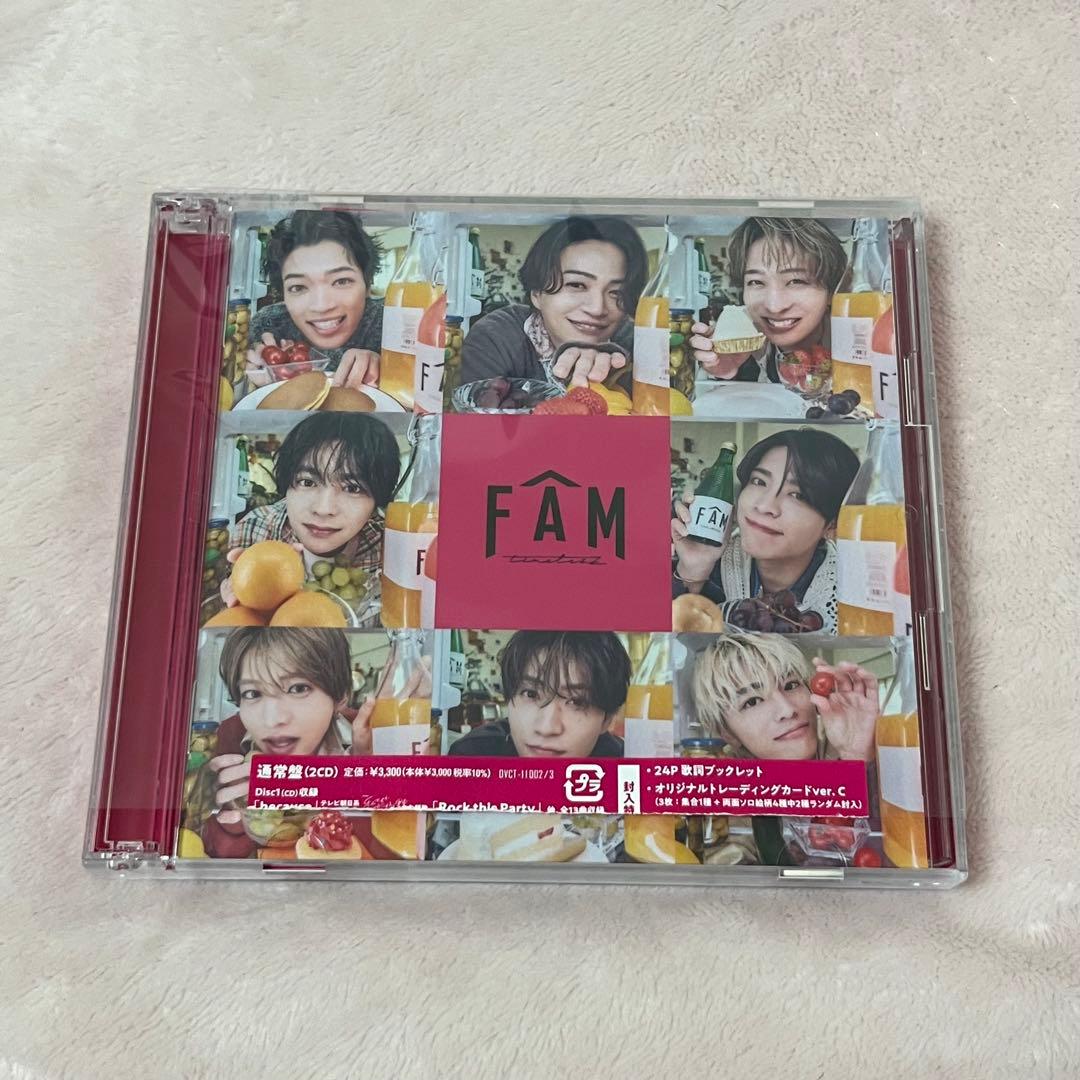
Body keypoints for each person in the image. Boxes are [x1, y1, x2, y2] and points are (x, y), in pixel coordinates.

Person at [195, 627, 376, 858]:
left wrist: (365, 779)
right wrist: (227, 811)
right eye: (252, 693)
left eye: (298, 689)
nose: (273, 719)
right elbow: (211, 852)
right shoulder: (229, 737)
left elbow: (392, 856)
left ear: (340, 696)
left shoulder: (371, 733)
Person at [671, 428, 860, 633]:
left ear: (832, 524)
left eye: (797, 495)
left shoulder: (853, 599)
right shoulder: (715, 563)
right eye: (759, 482)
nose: (764, 506)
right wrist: (693, 568)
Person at [218, 412, 401, 611]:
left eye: (353, 488)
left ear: (376, 502)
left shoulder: (393, 548)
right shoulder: (256, 529)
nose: (323, 509)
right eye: (307, 482)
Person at [458, 216, 648, 389]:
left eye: (616, 292)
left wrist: (614, 369)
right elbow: (481, 412)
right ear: (537, 292)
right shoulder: (497, 337)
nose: (597, 308)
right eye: (577, 285)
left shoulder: (636, 342)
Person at [689, 217, 848, 382]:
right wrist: (727, 375)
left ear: (832, 291)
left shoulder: (857, 345)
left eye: (796, 281)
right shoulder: (746, 345)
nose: (774, 306)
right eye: (756, 282)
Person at [246, 210, 384, 390]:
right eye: (298, 287)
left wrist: (390, 366)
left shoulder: (392, 321)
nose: (321, 306)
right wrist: (260, 381)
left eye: (341, 281)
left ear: (368, 283)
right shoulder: (268, 325)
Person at [690, 633, 877, 763]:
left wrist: (857, 756)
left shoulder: (848, 749)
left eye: (791, 685)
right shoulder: (724, 798)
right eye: (752, 702)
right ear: (727, 734)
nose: (787, 710)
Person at [448, 631, 630, 757]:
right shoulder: (473, 756)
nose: (546, 728)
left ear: (607, 719)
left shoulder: (627, 769)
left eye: (577, 701)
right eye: (531, 694)